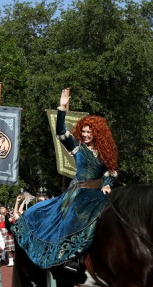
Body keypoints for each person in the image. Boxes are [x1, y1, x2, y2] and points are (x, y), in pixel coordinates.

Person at [14, 88, 118, 269]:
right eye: (83, 131)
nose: (85, 135)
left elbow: (111, 172)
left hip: (98, 193)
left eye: (89, 132)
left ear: (98, 133)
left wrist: (108, 185)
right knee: (73, 218)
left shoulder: (105, 154)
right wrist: (62, 108)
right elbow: (61, 131)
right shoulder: (77, 147)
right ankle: (68, 256)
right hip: (78, 193)